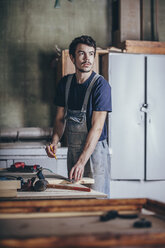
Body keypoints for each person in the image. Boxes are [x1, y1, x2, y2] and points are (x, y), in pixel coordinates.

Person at [46, 35, 112, 197]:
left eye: (91, 53)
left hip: (95, 153)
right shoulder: (65, 83)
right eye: (81, 53)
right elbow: (60, 118)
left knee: (97, 199)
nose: (87, 58)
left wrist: (82, 162)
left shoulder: (100, 86)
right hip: (74, 151)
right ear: (72, 57)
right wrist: (55, 141)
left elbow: (97, 128)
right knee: (77, 197)